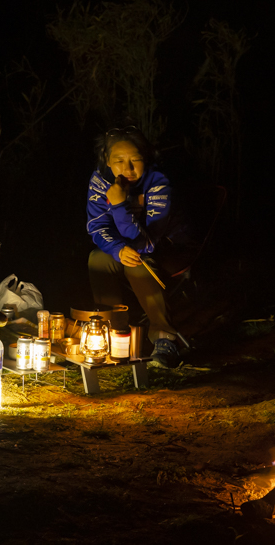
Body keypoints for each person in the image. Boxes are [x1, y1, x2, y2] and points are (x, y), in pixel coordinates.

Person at [86, 126, 188, 369]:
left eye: (135, 160)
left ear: (147, 159)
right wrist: (117, 249)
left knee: (135, 263)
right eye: (119, 161)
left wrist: (120, 205)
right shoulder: (100, 182)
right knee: (98, 259)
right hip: (130, 248)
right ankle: (113, 330)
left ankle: (164, 338)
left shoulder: (158, 184)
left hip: (168, 248)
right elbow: (97, 226)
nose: (127, 169)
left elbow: (149, 242)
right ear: (106, 160)